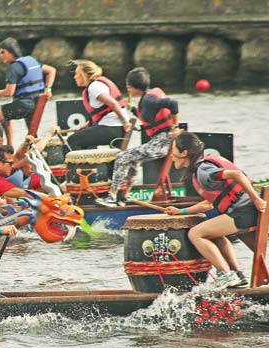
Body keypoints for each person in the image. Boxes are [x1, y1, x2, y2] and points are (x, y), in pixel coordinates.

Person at [164, 132, 267, 289]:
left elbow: (237, 174)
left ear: (184, 153)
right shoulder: (203, 168)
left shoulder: (203, 171)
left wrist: (256, 199)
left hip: (244, 212)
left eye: (174, 152)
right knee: (216, 235)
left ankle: (226, 275)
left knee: (195, 233)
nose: (171, 156)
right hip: (246, 211)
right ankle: (236, 274)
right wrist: (181, 212)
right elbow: (207, 205)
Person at [95, 67, 180, 207]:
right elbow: (148, 117)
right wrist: (133, 110)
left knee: (122, 157)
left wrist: (175, 128)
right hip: (160, 141)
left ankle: (111, 196)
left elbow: (173, 103)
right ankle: (123, 197)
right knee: (132, 160)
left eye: (128, 84)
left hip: (163, 142)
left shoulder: (149, 100)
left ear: (131, 86)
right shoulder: (147, 99)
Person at [0, 37, 56, 147]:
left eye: (3, 52)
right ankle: (10, 147)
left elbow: (9, 92)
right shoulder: (30, 61)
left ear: (10, 52)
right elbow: (51, 70)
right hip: (37, 104)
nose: (1, 55)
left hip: (24, 105)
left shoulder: (14, 67)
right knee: (6, 117)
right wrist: (48, 88)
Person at [68, 60, 131, 150]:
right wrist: (86, 125)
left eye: (77, 74)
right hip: (115, 128)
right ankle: (89, 163)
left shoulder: (94, 87)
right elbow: (103, 112)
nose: (74, 77)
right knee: (82, 136)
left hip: (113, 128)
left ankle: (74, 164)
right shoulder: (97, 85)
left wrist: (125, 123)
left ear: (85, 74)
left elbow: (113, 103)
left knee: (72, 141)